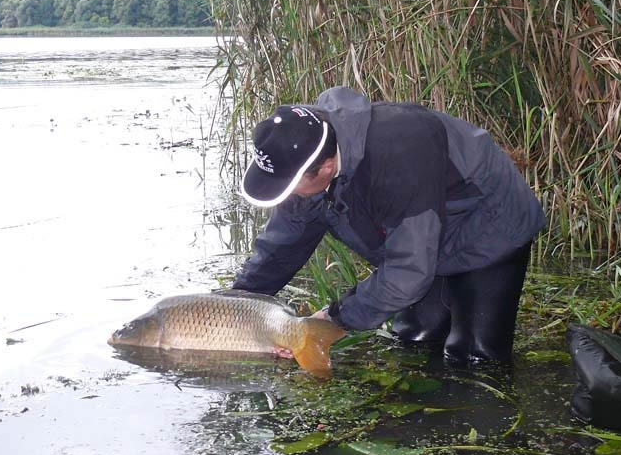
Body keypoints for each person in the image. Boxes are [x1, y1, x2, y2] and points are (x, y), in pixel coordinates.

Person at [231, 86, 547, 363]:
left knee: (474, 356)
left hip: (488, 226)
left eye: (291, 186)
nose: (290, 196)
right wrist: (236, 305)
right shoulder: (304, 153)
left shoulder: (398, 156)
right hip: (420, 235)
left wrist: (333, 319)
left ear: (327, 167)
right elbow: (281, 247)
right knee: (415, 338)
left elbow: (408, 274)